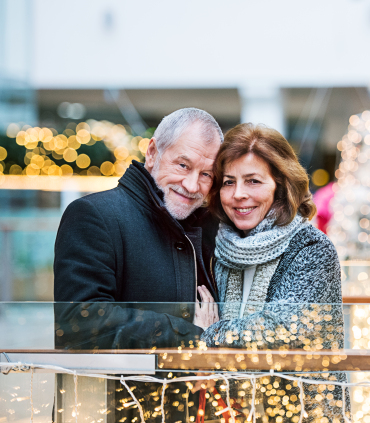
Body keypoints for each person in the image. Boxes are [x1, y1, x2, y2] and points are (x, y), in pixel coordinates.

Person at [53, 108, 222, 421]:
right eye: (183, 164)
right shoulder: (94, 215)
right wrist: (191, 335)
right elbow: (78, 323)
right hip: (114, 410)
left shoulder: (211, 227)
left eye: (206, 174)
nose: (191, 184)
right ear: (153, 152)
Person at [197, 123, 348, 422]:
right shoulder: (217, 246)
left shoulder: (311, 247)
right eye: (228, 182)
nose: (239, 194)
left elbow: (280, 330)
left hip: (300, 411)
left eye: (253, 181)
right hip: (230, 411)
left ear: (280, 184)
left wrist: (205, 335)